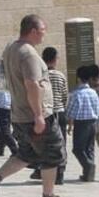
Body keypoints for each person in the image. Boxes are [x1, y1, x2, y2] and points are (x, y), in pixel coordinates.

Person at [0, 15, 70, 197]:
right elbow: (32, 84)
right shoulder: (28, 53)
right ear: (33, 31)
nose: (44, 36)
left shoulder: (11, 49)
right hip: (35, 115)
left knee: (26, 154)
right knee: (53, 154)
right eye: (42, 31)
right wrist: (39, 116)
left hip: (19, 114)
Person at [31, 47, 68, 184]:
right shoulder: (60, 75)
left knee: (44, 144)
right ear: (55, 59)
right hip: (60, 111)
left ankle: (41, 170)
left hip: (46, 113)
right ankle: (60, 173)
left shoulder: (40, 75)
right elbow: (65, 95)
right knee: (61, 144)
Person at [66, 65, 99, 182]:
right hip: (93, 122)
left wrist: (69, 124)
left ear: (78, 78)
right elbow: (98, 109)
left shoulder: (76, 94)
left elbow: (71, 111)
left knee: (78, 149)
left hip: (81, 124)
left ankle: (88, 166)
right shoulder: (93, 92)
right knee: (89, 149)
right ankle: (88, 175)